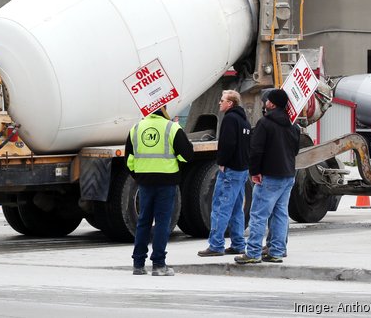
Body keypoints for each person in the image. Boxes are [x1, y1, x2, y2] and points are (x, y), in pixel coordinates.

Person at [127, 105, 194, 276]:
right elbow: (187, 155)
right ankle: (158, 264)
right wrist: (176, 164)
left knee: (143, 221)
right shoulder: (172, 128)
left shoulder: (136, 128)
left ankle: (138, 264)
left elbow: (129, 159)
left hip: (144, 181)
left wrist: (139, 175)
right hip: (167, 180)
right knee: (162, 222)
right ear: (164, 109)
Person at [235, 89, 299, 264]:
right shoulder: (293, 125)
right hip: (288, 175)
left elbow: (256, 150)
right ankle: (277, 251)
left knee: (258, 215)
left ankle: (253, 253)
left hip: (269, 176)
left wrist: (254, 172)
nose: (264, 103)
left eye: (267, 100)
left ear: (271, 104)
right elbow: (295, 150)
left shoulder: (264, 123)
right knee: (280, 215)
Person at [198, 90, 251, 257]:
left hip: (230, 171)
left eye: (222, 100)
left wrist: (222, 162)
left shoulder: (230, 119)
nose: (219, 103)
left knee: (220, 207)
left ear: (230, 103)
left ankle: (216, 245)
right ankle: (238, 244)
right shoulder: (244, 121)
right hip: (242, 170)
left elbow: (228, 144)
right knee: (236, 209)